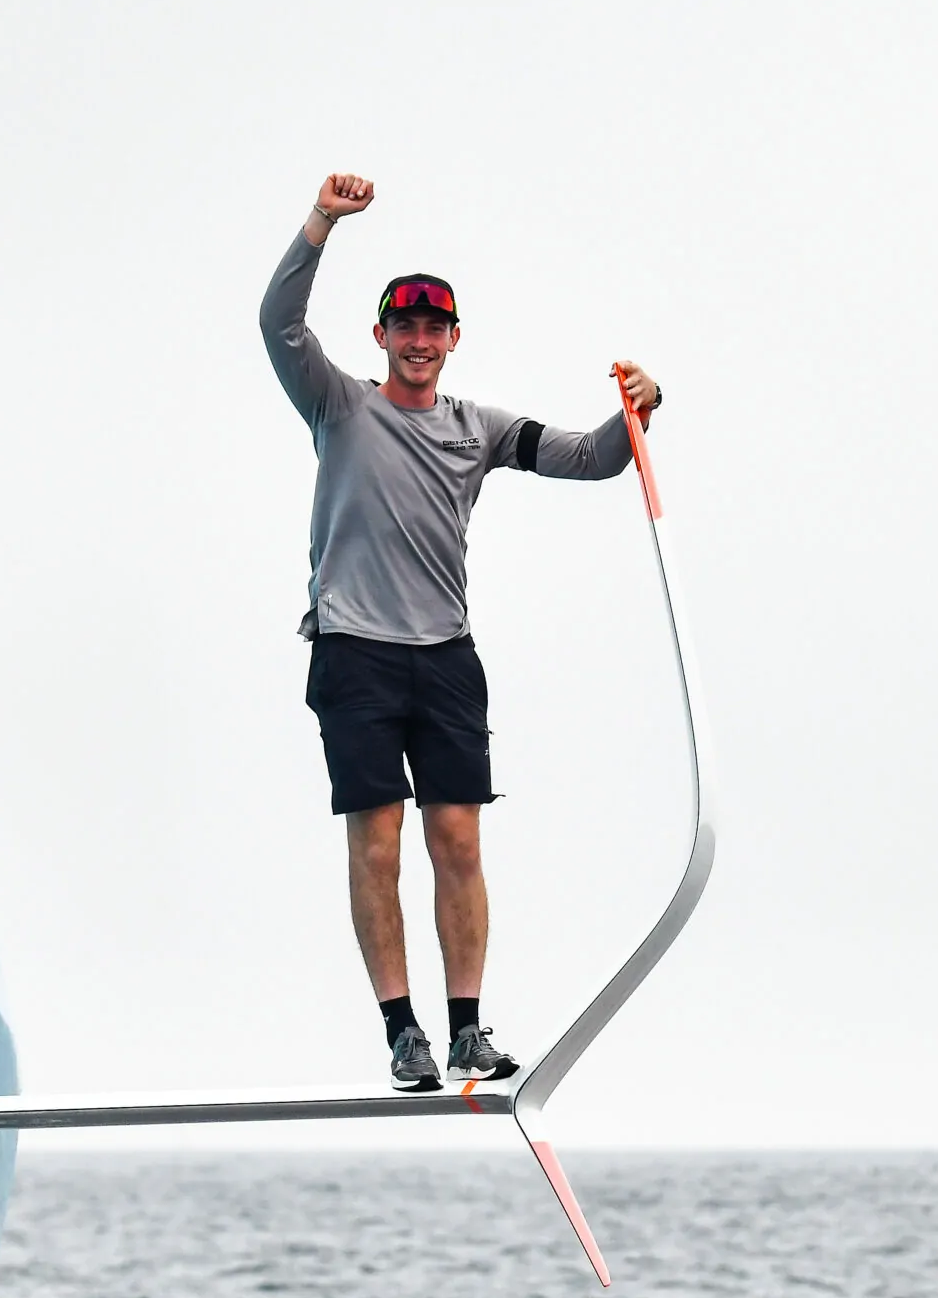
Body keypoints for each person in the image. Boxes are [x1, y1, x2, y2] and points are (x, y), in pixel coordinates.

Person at [262, 171, 662, 1092]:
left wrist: (637, 408)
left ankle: (468, 1029)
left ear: (450, 340)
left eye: (433, 327)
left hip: (445, 657)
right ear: (381, 336)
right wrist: (322, 222)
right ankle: (403, 1034)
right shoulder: (339, 402)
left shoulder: (476, 428)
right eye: (402, 325)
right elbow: (277, 325)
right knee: (377, 840)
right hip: (354, 650)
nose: (417, 339)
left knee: (458, 840)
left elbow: (593, 459)